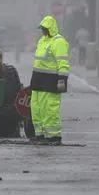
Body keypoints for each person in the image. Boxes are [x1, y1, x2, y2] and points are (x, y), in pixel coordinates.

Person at [30, 15, 70, 144]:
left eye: (45, 28)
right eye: (42, 28)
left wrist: (62, 80)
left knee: (50, 110)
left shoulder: (59, 42)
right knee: (36, 109)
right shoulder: (42, 41)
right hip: (38, 81)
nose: (43, 31)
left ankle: (54, 136)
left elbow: (63, 63)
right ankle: (40, 135)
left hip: (50, 82)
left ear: (50, 28)